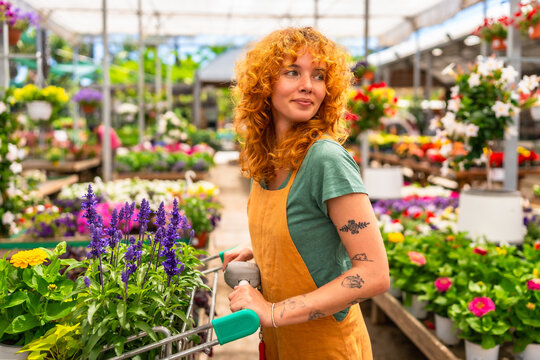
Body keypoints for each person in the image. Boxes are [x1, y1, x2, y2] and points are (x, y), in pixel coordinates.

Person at [224, 27, 390, 359]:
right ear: (264, 83)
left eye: (318, 76)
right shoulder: (267, 157)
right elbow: (304, 225)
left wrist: (272, 313)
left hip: (326, 347)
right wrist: (263, 246)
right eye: (292, 72)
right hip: (282, 344)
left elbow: (373, 274)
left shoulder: (325, 159)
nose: (307, 85)